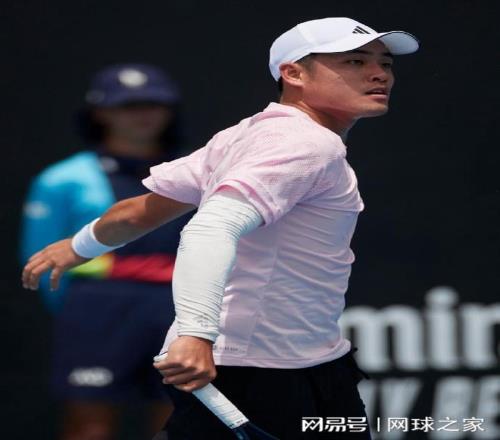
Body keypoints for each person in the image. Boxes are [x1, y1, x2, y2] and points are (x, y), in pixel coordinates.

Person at [22, 17, 419, 439]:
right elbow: (209, 229)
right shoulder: (305, 145)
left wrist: (78, 245)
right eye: (355, 61)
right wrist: (196, 335)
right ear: (294, 73)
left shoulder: (248, 135)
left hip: (304, 364)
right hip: (260, 373)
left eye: (385, 63)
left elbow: (139, 211)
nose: (379, 74)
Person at [19, 63, 195, 440]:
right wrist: (84, 303)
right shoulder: (62, 179)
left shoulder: (196, 171)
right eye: (127, 106)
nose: (143, 114)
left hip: (181, 309)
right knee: (90, 426)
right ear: (100, 112)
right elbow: (40, 261)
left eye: (153, 104)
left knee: (178, 422)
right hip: (96, 313)